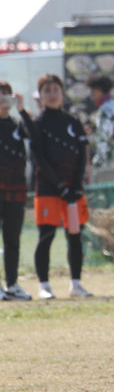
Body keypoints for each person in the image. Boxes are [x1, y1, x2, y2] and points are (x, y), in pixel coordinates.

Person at [28, 74, 92, 299]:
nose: (52, 95)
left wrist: (76, 185)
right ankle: (44, 286)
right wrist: (59, 185)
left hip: (73, 191)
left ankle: (76, 284)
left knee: (75, 235)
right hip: (48, 189)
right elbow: (38, 159)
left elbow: (82, 156)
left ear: (63, 94)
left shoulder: (73, 122)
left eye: (56, 90)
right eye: (47, 91)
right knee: (46, 236)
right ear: (40, 96)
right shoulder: (38, 124)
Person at [0, 81, 33, 300]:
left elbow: (36, 137)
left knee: (13, 239)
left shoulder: (18, 124)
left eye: (7, 95)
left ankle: (12, 284)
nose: (3, 99)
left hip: (16, 188)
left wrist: (22, 111)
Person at [85, 74, 114, 169]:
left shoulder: (105, 109)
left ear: (98, 90)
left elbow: (103, 137)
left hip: (109, 161)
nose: (92, 95)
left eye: (93, 92)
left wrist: (98, 160)